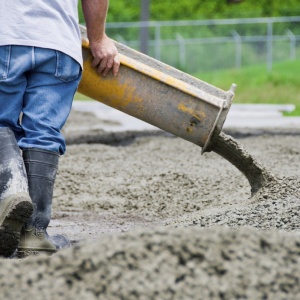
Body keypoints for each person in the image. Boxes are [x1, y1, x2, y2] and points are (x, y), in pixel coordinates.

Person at [0, 0, 120, 257]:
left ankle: (11, 193)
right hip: (58, 42)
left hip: (5, 34)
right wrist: (98, 38)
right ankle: (34, 233)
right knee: (43, 132)